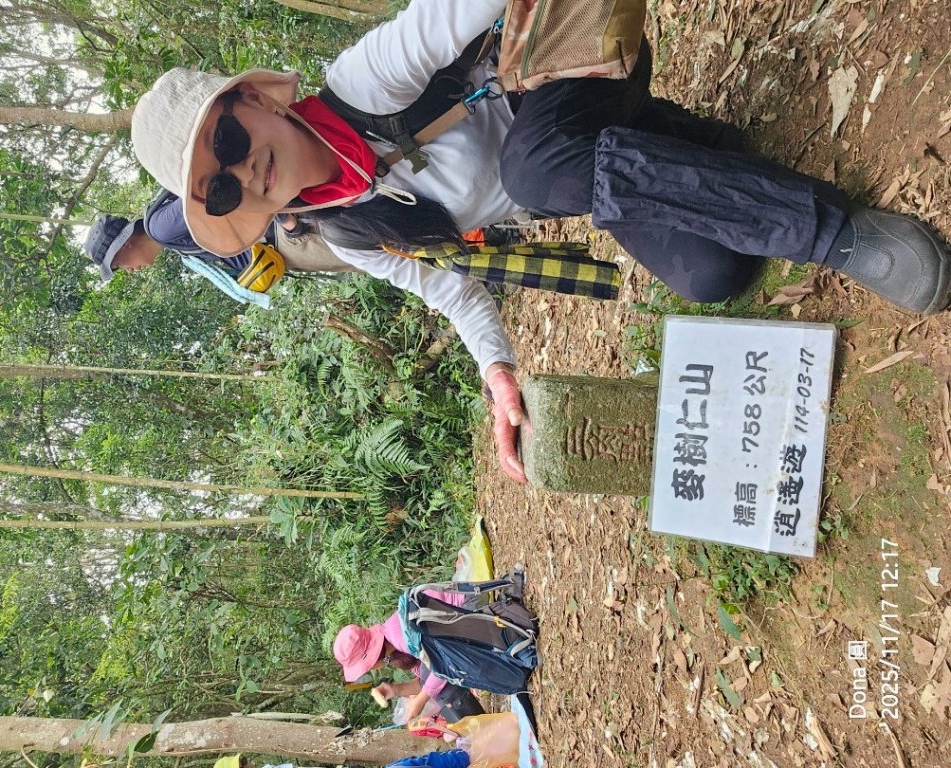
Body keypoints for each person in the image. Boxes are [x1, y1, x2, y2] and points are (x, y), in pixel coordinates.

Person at [130, 0, 951, 484]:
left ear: (255, 103)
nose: (246, 169)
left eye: (228, 141)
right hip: (595, 160)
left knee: (535, 172)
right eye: (223, 185)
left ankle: (840, 232)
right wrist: (497, 374)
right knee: (713, 274)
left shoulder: (362, 85)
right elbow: (448, 290)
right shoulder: (346, 229)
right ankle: (697, 153)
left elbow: (449, 14)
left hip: (576, 64)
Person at [84, 193, 356, 305]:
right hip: (288, 242)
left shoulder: (162, 228)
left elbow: (215, 187)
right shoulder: (167, 237)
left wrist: (283, 218)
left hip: (291, 237)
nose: (131, 271)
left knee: (379, 249)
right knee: (371, 251)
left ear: (126, 244)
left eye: (121, 265)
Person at [332, 590, 486, 724]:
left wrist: (420, 700)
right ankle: (478, 728)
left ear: (370, 658)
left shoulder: (400, 636)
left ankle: (483, 730)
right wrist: (395, 689)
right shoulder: (393, 648)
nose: (369, 670)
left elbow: (443, 664)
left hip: (471, 609)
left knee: (444, 690)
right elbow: (425, 679)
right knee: (436, 685)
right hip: (460, 630)